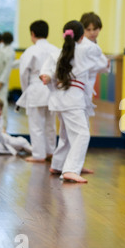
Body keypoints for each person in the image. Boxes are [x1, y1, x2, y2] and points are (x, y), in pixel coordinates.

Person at [40, 20, 109, 183]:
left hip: (59, 99)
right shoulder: (84, 51)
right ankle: (70, 169)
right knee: (82, 134)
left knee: (66, 134)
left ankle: (57, 164)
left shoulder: (57, 53)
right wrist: (83, 39)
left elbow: (47, 70)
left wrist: (47, 76)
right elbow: (98, 53)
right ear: (82, 35)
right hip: (72, 100)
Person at [16, 20, 59, 162]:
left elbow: (23, 74)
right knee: (50, 124)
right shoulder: (56, 49)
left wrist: (25, 91)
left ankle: (38, 154)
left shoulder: (30, 51)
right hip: (52, 89)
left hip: (35, 88)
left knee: (36, 125)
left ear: (32, 34)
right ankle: (50, 151)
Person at [80, 12, 109, 100]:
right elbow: (103, 64)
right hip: (80, 86)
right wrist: (105, 64)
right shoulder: (84, 45)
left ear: (100, 28)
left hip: (87, 86)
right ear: (82, 30)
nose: (92, 32)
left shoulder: (93, 45)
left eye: (95, 29)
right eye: (88, 30)